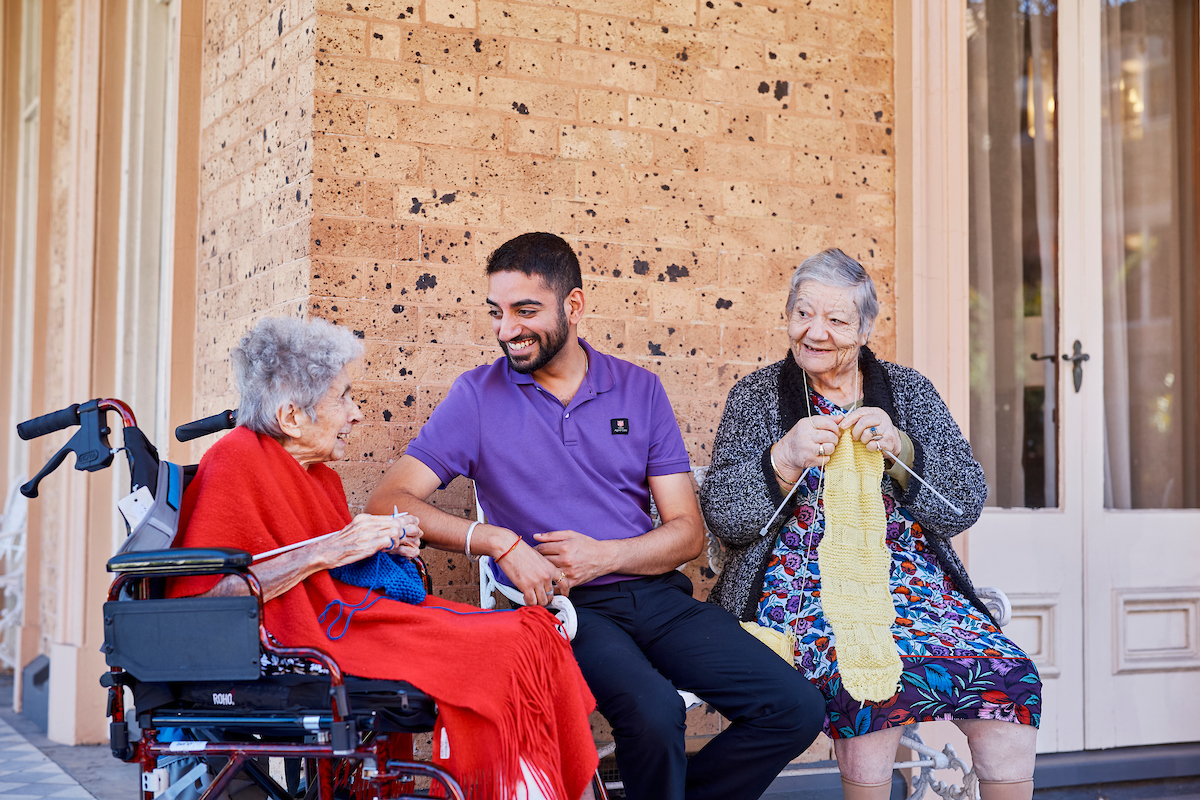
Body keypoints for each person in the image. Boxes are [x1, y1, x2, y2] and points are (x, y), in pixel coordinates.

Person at [367, 232, 824, 800]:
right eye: (497, 313)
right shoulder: (478, 396)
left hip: (658, 598)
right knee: (656, 716)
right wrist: (500, 542)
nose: (506, 329)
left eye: (525, 310)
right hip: (562, 609)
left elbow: (687, 532)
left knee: (795, 707)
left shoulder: (640, 390)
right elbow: (387, 500)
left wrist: (607, 555)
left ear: (574, 306)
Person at [169, 316, 598, 800]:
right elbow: (212, 597)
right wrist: (333, 548)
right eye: (344, 398)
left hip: (346, 619)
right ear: (291, 416)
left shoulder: (319, 476)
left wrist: (380, 550)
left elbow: (333, 571)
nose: (356, 415)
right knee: (509, 649)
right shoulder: (234, 461)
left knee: (534, 633)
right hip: (298, 643)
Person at [699, 248, 1041, 800]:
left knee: (1008, 675)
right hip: (799, 588)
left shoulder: (908, 392)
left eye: (836, 320)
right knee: (870, 684)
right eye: (803, 314)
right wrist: (781, 461)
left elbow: (965, 503)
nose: (816, 332)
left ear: (865, 328)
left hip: (917, 589)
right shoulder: (758, 396)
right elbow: (727, 519)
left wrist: (905, 450)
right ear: (787, 316)